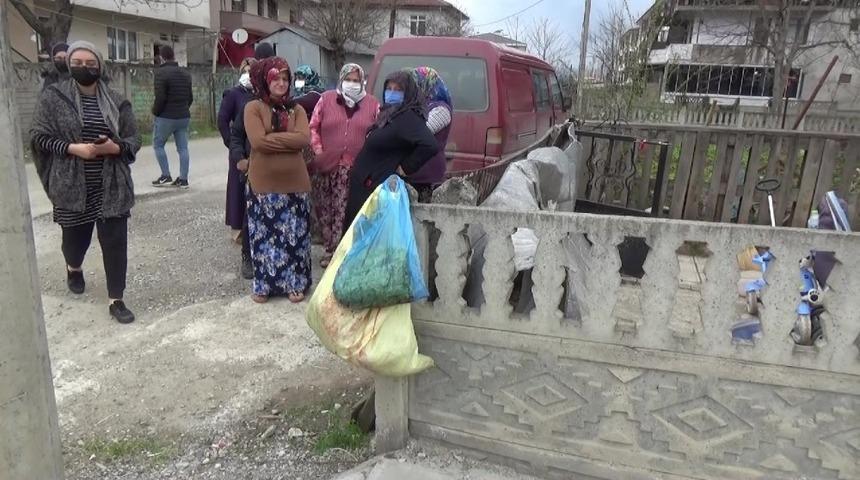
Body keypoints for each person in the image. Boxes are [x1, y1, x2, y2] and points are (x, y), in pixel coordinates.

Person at [30, 41, 141, 324]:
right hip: (71, 184)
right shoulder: (54, 97)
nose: (84, 67)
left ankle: (116, 299)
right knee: (75, 241)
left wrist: (113, 148)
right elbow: (38, 137)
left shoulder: (117, 100)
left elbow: (133, 139)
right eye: (77, 62)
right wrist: (73, 148)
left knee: (115, 243)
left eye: (90, 63)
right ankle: (73, 266)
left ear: (99, 66)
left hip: (111, 186)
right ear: (69, 66)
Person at [243, 57, 313, 304]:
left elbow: (304, 139)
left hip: (296, 184)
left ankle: (295, 283)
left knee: (294, 238)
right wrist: (288, 140)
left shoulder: (298, 109)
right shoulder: (253, 107)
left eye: (285, 79)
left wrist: (273, 139)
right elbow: (257, 141)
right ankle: (264, 285)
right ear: (265, 79)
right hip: (263, 184)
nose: (281, 83)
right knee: (263, 237)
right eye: (276, 78)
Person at [343, 70, 439, 230]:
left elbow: (430, 145)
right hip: (365, 187)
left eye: (398, 90)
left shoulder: (407, 116)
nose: (392, 93)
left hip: (376, 190)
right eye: (389, 88)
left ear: (407, 93)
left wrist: (405, 167)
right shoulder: (390, 114)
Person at [308, 63, 380, 267]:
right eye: (348, 79)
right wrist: (320, 152)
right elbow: (313, 126)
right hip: (328, 166)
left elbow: (377, 133)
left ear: (362, 82)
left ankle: (347, 250)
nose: (352, 84)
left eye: (356, 80)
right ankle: (330, 250)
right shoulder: (326, 99)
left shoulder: (372, 104)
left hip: (355, 169)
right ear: (341, 80)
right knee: (327, 210)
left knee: (348, 210)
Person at [218, 58, 257, 279]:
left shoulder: (261, 95)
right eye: (246, 71)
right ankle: (239, 232)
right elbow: (223, 120)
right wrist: (231, 145)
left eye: (253, 71)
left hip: (259, 155)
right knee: (237, 192)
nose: (249, 74)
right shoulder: (233, 94)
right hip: (239, 153)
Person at [407, 66, 453, 202]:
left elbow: (418, 134)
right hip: (413, 172)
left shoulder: (441, 109)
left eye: (415, 85)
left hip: (427, 175)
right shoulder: (419, 106)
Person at [150, 45, 194, 189]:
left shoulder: (160, 73)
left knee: (158, 145)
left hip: (166, 116)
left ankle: (165, 175)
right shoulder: (185, 73)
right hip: (183, 116)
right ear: (173, 56)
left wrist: (155, 112)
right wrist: (183, 108)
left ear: (161, 57)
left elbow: (160, 97)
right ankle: (183, 179)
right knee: (183, 148)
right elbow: (190, 97)